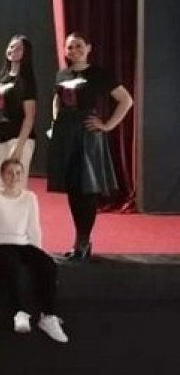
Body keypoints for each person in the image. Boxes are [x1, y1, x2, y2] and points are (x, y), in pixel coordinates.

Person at [47, 33, 133, 260]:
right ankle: (80, 240)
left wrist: (107, 125)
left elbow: (126, 100)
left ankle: (83, 241)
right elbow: (57, 99)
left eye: (78, 46)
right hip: (65, 134)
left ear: (88, 48)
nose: (74, 50)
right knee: (73, 188)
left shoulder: (98, 74)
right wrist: (55, 123)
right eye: (70, 47)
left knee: (87, 188)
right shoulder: (62, 74)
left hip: (87, 135)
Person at [0, 159, 68, 343]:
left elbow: (34, 228)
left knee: (48, 265)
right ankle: (20, 312)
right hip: (0, 244)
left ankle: (48, 316)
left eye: (18, 173)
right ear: (2, 176)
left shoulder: (30, 197)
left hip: (23, 244)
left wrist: (38, 253)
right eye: (9, 173)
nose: (14, 177)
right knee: (12, 266)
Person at [0, 35, 37, 191]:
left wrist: (19, 146)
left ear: (26, 53)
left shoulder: (27, 81)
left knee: (15, 187)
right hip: (0, 139)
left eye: (19, 48)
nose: (13, 50)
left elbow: (29, 116)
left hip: (19, 139)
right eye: (11, 46)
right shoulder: (2, 78)